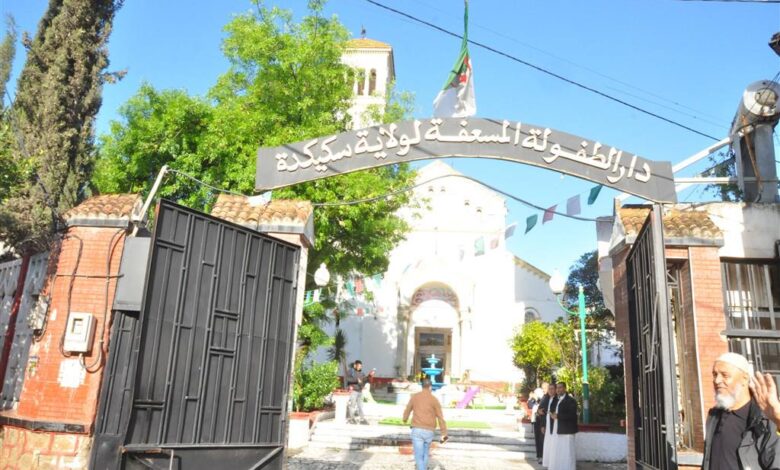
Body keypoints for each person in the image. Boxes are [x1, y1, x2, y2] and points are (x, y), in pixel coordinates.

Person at [702, 352, 780, 469]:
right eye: (715, 374)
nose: (717, 380)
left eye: (725, 375)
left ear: (744, 379)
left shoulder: (765, 418)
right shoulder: (714, 416)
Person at [402, 378, 448, 470]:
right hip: (429, 431)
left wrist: (405, 419)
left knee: (419, 455)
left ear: (422, 386)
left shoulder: (415, 397)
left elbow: (407, 409)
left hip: (417, 429)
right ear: (430, 387)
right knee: (425, 453)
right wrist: (444, 434)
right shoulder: (434, 400)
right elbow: (440, 417)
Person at [549, 382, 578, 470]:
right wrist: (553, 414)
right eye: (557, 388)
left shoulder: (571, 400)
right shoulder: (557, 400)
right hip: (558, 430)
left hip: (567, 432)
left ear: (565, 388)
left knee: (568, 454)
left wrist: (558, 416)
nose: (558, 390)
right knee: (559, 452)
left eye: (560, 387)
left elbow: (572, 415)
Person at [541, 382, 558, 468]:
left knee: (553, 444)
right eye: (549, 389)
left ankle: (553, 464)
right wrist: (542, 425)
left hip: (554, 425)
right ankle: (548, 463)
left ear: (555, 390)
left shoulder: (558, 399)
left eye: (552, 389)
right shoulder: (546, 398)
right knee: (547, 444)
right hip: (546, 424)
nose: (550, 391)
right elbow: (541, 411)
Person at [346, 360, 369, 425]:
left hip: (360, 391)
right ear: (355, 365)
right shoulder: (351, 372)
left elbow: (364, 380)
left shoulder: (362, 373)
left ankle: (362, 419)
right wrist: (356, 380)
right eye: (358, 366)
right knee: (352, 405)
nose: (360, 367)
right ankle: (351, 419)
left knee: (360, 406)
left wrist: (369, 376)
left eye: (360, 366)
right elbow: (348, 379)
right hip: (353, 391)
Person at [531, 384, 547, 463]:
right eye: (542, 388)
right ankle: (539, 456)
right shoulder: (540, 398)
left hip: (542, 421)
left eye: (545, 388)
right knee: (538, 439)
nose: (543, 389)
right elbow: (530, 404)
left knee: (541, 439)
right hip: (537, 420)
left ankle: (542, 456)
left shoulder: (546, 398)